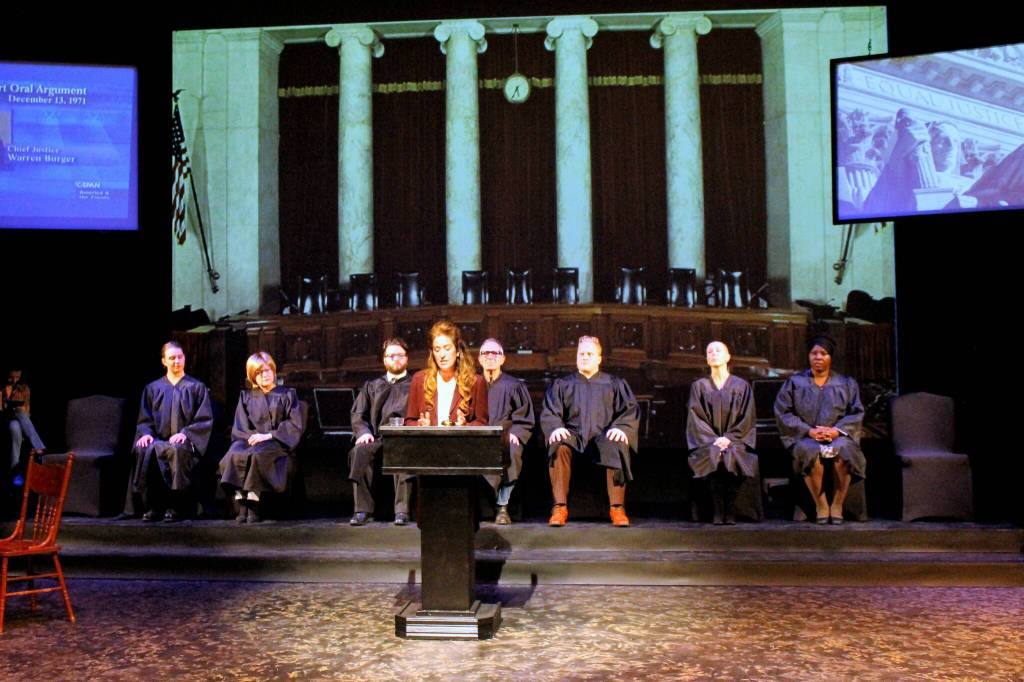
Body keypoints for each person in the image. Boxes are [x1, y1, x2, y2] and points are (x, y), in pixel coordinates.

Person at [540, 336, 639, 527]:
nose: (585, 357)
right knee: (559, 445)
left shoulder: (614, 383)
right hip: (574, 436)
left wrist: (621, 428)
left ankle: (617, 507)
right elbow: (550, 411)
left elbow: (630, 409)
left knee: (617, 443)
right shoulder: (563, 384)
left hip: (604, 436)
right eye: (581, 354)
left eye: (589, 354)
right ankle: (559, 506)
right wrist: (556, 427)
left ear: (599, 358)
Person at [774, 335, 866, 524]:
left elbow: (856, 412)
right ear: (808, 356)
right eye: (814, 353)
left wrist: (836, 431)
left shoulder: (846, 383)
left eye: (823, 353)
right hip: (807, 436)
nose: (818, 357)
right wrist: (808, 431)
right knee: (811, 452)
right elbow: (783, 412)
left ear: (830, 357)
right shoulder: (795, 383)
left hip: (838, 436)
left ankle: (838, 504)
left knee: (845, 451)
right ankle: (821, 504)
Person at [121, 342, 213, 522]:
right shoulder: (153, 388)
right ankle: (153, 506)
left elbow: (204, 420)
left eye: (180, 357)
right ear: (164, 361)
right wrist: (146, 433)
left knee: (176, 450)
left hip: (185, 442)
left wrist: (186, 433)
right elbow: (144, 419)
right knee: (145, 449)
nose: (177, 361)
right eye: (172, 358)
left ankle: (176, 507)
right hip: (158, 440)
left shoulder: (196, 387)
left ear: (184, 358)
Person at [219, 352, 305, 523]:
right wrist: (252, 437)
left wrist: (268, 435)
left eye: (267, 370)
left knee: (258, 454)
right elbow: (240, 427)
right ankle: (241, 501)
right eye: (259, 372)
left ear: (273, 371)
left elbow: (294, 424)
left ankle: (252, 505)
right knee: (233, 455)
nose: (265, 375)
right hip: (249, 440)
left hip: (276, 443)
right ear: (252, 375)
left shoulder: (287, 395)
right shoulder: (246, 396)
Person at [686, 341, 757, 525]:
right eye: (710, 351)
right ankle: (717, 510)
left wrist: (730, 438)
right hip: (707, 441)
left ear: (728, 357)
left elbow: (747, 418)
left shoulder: (741, 386)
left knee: (733, 455)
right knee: (713, 454)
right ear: (707, 359)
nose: (714, 353)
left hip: (736, 440)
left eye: (719, 350)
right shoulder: (699, 386)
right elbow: (696, 418)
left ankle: (731, 508)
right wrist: (714, 440)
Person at [347, 337, 413, 527]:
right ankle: (362, 510)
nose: (396, 359)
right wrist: (363, 433)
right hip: (376, 437)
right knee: (360, 451)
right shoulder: (372, 386)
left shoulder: (417, 384)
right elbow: (358, 414)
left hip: (404, 438)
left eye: (400, 355)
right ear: (384, 360)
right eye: (391, 356)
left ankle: (402, 511)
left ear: (407, 359)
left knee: (404, 451)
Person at [478, 338, 535, 525]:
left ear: (503, 359)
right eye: (485, 353)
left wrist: (516, 433)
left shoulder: (514, 386)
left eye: (495, 353)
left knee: (513, 450)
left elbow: (524, 417)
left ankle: (502, 506)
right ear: (479, 359)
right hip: (478, 436)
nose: (490, 357)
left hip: (504, 437)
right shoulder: (471, 384)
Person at [404, 320, 488, 428]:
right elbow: (409, 421)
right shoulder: (419, 379)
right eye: (437, 350)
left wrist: (465, 426)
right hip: (427, 443)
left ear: (457, 351)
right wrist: (420, 425)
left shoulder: (476, 382)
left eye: (447, 348)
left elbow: (482, 423)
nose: (442, 355)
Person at [3, 367, 47, 487]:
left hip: (21, 420)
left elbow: (27, 411)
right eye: (13, 377)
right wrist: (8, 400)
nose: (15, 380)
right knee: (14, 421)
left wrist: (19, 409)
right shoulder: (3, 389)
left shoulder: (24, 389)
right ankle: (38, 447)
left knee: (16, 427)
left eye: (17, 377)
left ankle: (15, 470)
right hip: (6, 418)